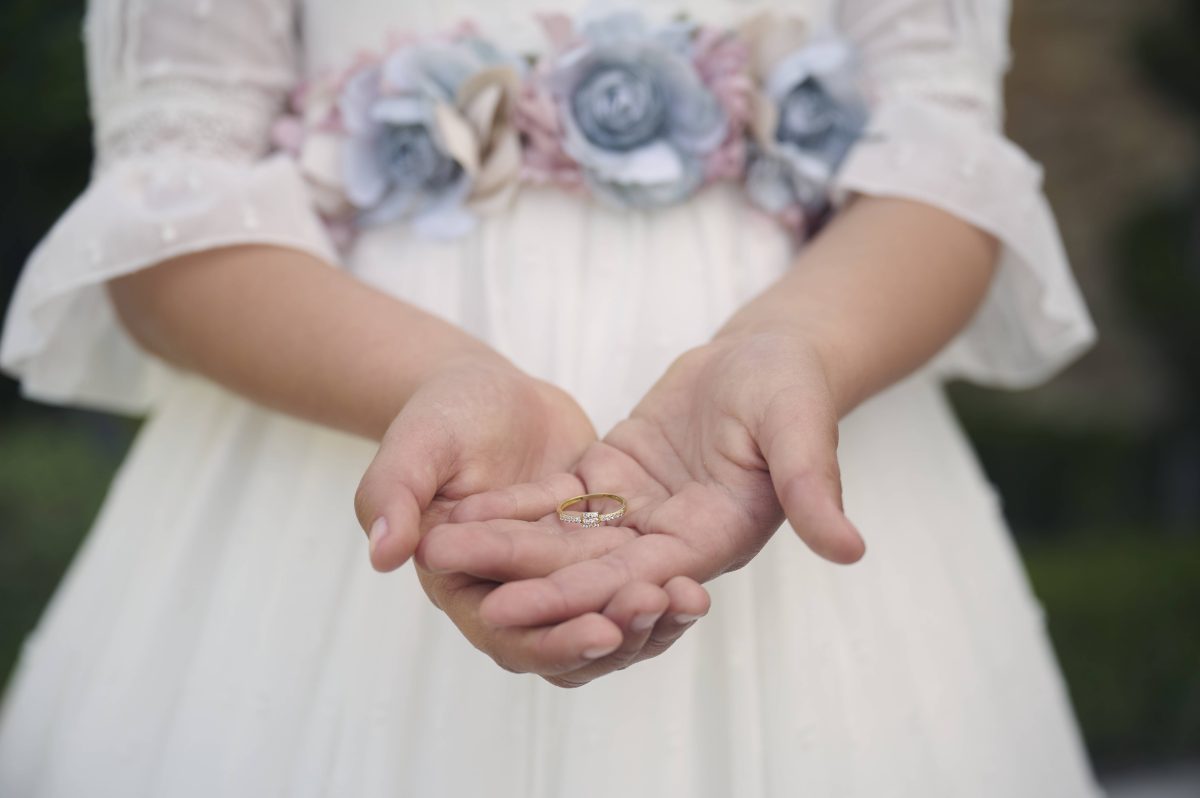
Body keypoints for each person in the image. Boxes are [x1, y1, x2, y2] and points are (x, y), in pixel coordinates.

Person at [0, 0, 1102, 795]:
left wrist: (794, 347)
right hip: (348, 415)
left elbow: (947, 172)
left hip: (802, 397)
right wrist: (434, 379)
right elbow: (164, 219)